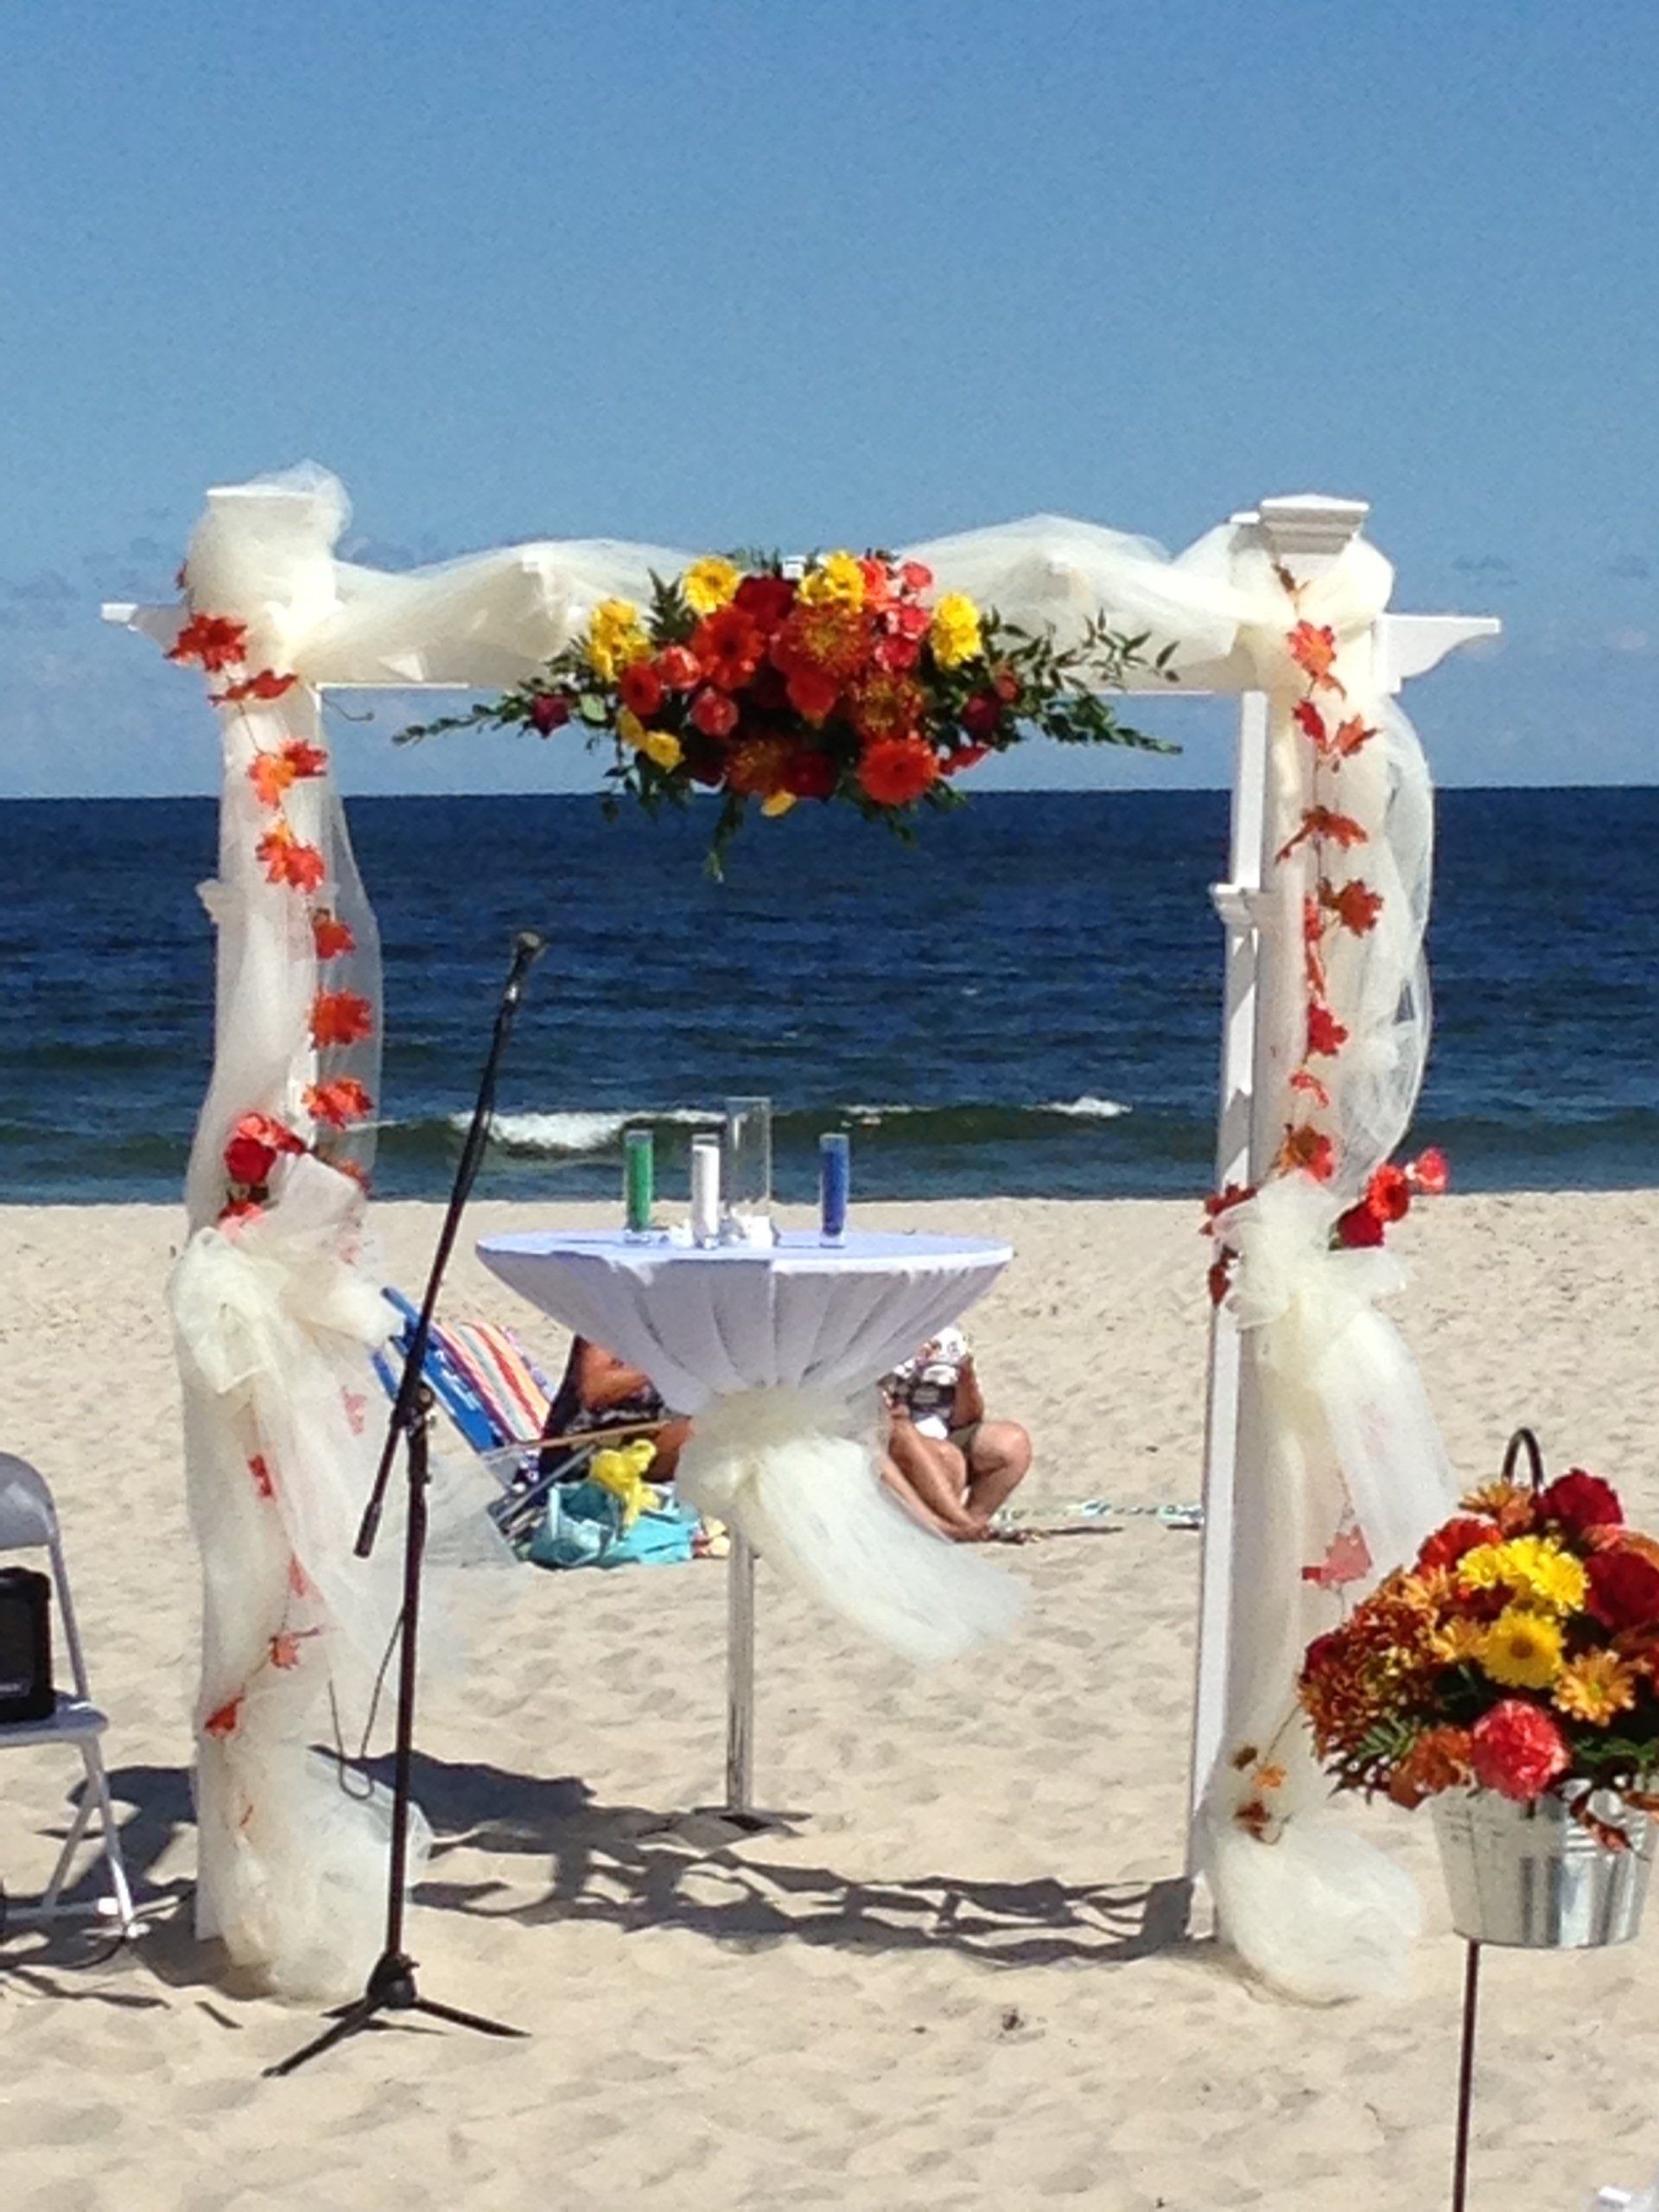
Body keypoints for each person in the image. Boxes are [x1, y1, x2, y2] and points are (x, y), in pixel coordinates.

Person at [878, 1325, 1032, 1541]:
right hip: (891, 1438)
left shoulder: (947, 1336)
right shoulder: (875, 1335)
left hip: (939, 1429)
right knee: (945, 1456)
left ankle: (973, 1524)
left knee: (1012, 1443)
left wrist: (965, 1375)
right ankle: (959, 1524)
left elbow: (968, 1419)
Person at [538, 1338, 690, 1484]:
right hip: (578, 1464)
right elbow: (595, 1387)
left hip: (651, 1471)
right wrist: (671, 1367)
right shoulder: (619, 1321)